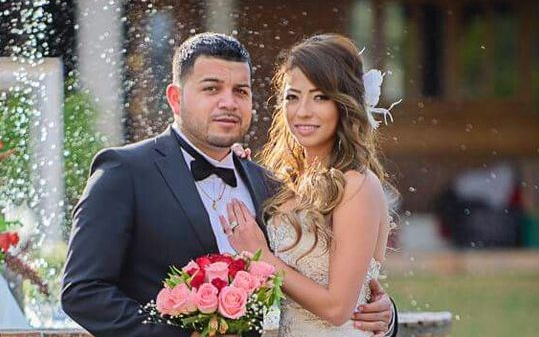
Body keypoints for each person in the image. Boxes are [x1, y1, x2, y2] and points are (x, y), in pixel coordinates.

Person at [61, 33, 396, 336]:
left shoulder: (269, 184)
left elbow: (334, 285)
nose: (228, 102)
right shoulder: (125, 171)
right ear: (176, 99)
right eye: (211, 89)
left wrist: (384, 314)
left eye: (240, 91)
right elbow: (82, 291)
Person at [222, 34, 397, 336]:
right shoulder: (284, 182)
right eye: (293, 96)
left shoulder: (357, 185)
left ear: (345, 104)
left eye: (319, 97)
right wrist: (235, 166)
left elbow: (337, 308)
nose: (303, 111)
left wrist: (261, 256)